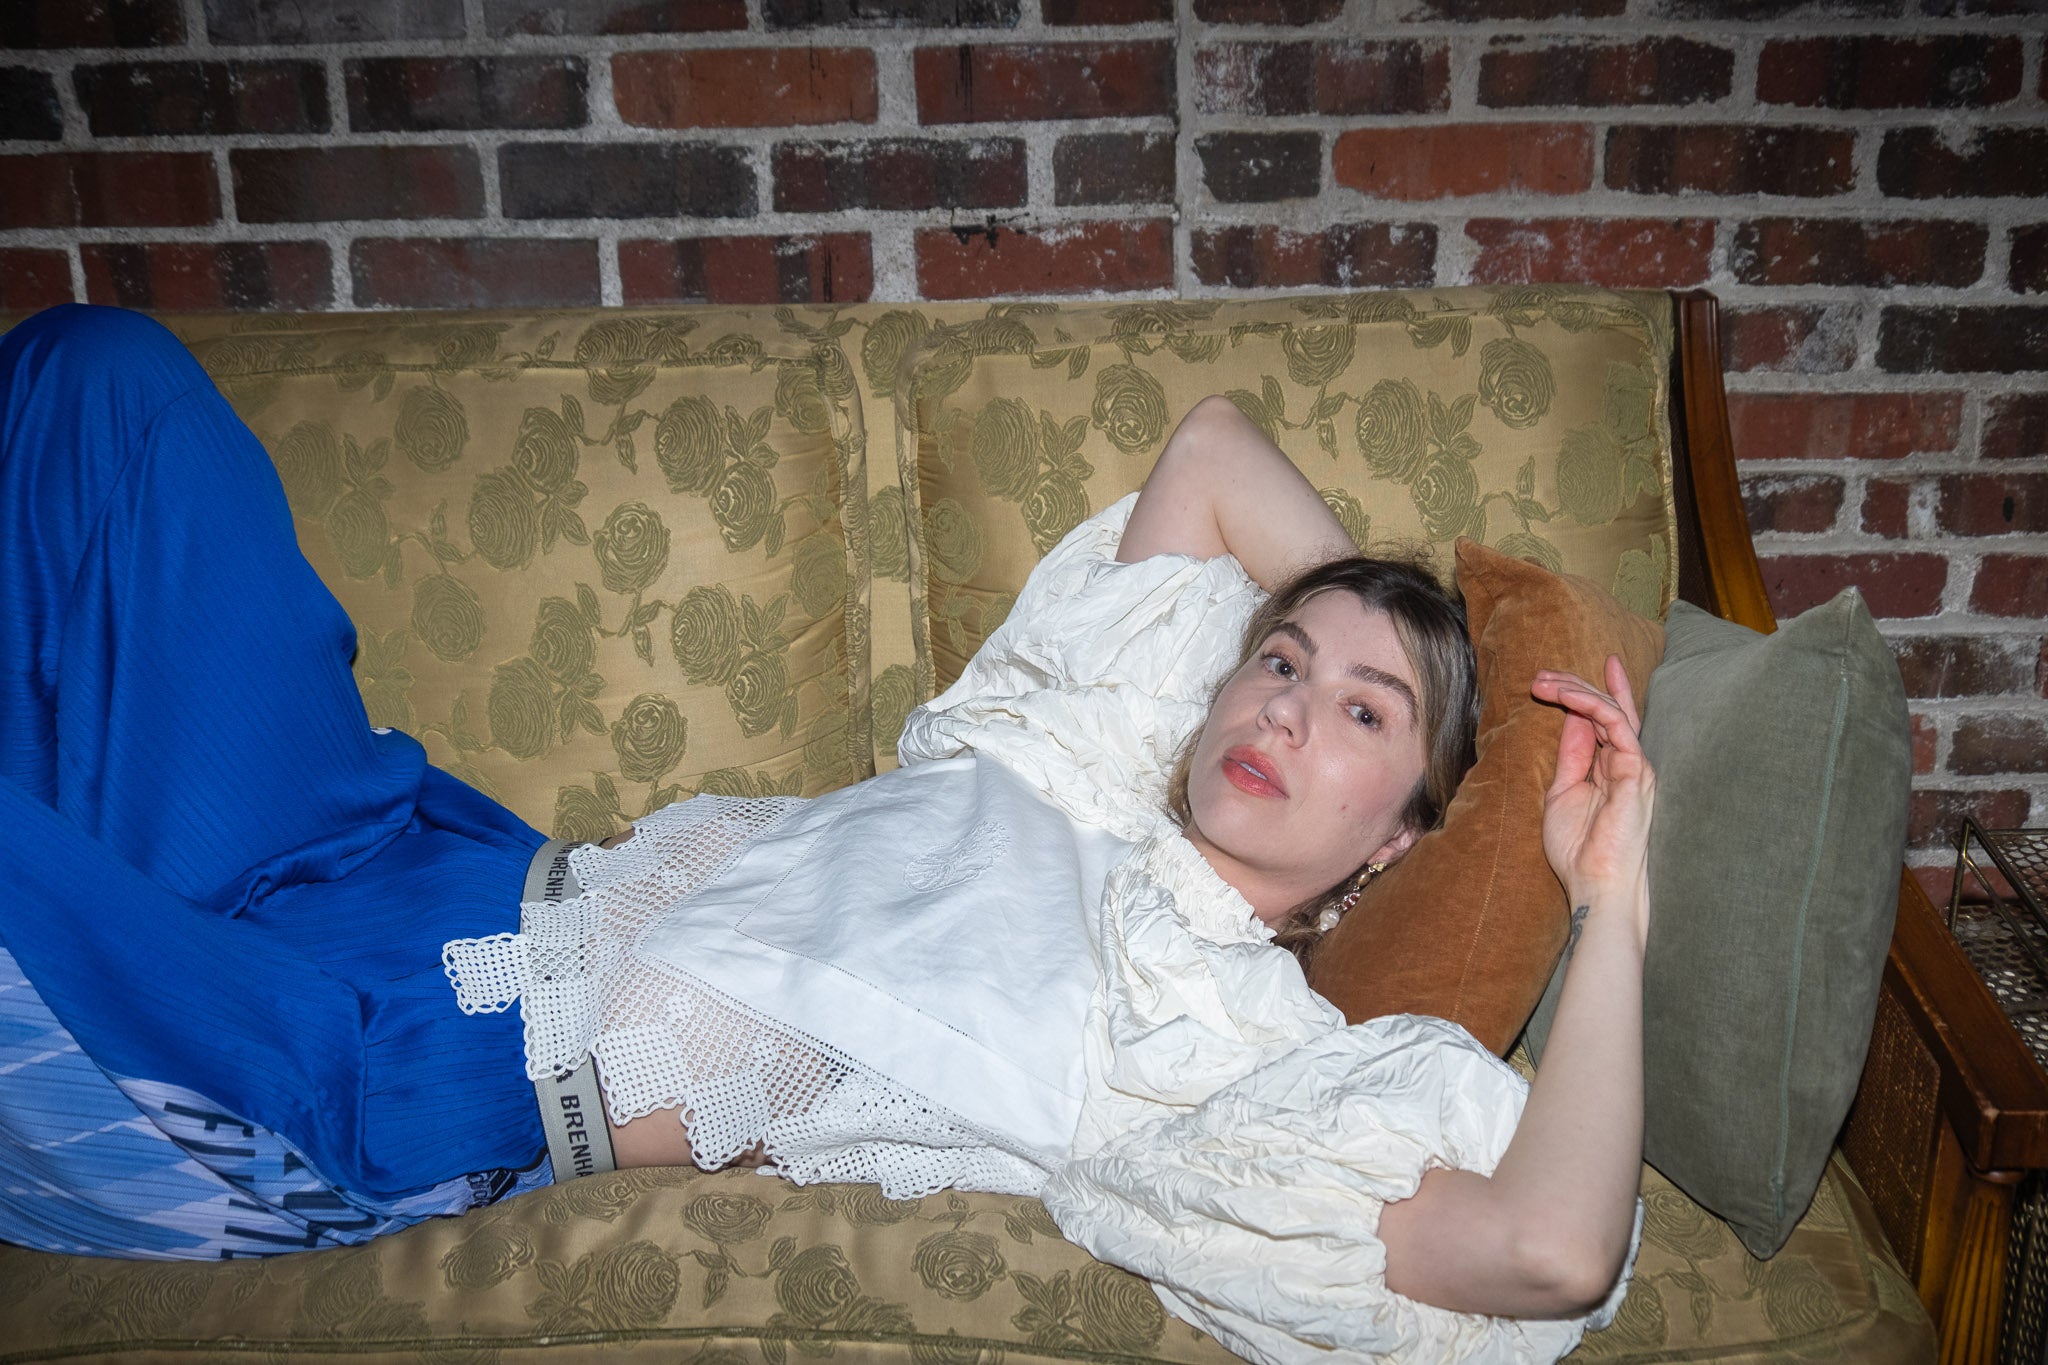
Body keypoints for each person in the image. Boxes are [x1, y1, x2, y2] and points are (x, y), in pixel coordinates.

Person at [0, 306, 1651, 1358]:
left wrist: (1598, 891)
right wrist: (1382, 648)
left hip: (368, 1077)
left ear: (1397, 842)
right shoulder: (1083, 741)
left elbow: (1553, 1245)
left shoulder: (1211, 1058)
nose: (1288, 708)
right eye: (1280, 662)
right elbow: (1215, 443)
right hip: (412, 853)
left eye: (1360, 716)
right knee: (103, 387)